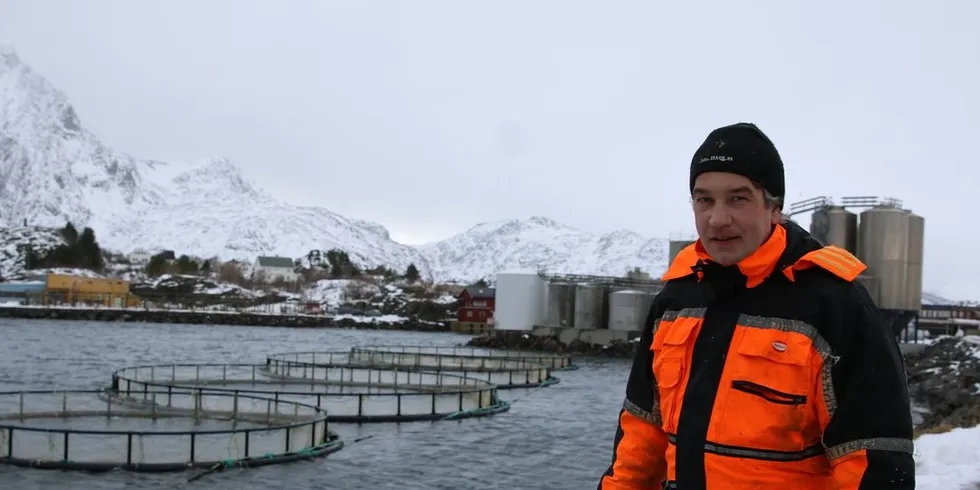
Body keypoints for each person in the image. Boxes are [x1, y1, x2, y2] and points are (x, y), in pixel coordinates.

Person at [597, 123, 915, 489]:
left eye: (738, 199)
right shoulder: (677, 298)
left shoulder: (834, 305)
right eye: (704, 200)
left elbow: (871, 461)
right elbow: (641, 434)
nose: (718, 219)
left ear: (774, 207)